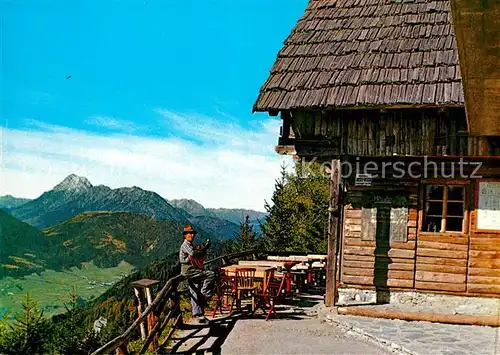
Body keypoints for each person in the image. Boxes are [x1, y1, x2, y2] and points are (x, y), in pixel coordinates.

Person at [179, 225, 215, 324]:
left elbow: (195, 253)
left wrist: (203, 248)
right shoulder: (186, 244)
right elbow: (194, 254)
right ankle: (205, 292)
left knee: (194, 291)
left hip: (190, 270)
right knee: (210, 274)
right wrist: (205, 248)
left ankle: (198, 314)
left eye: (193, 233)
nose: (192, 235)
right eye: (190, 233)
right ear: (185, 235)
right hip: (189, 270)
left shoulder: (189, 244)